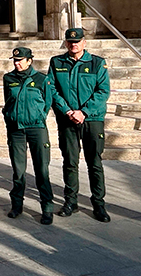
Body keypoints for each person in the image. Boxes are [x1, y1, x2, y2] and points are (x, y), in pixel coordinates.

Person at [49, 27, 111, 222]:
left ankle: (99, 204)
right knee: (70, 162)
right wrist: (68, 111)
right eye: (69, 41)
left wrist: (84, 112)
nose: (73, 44)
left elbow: (103, 91)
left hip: (92, 120)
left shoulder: (97, 63)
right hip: (67, 119)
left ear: (84, 42)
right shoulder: (57, 62)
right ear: (65, 43)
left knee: (95, 162)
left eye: (76, 41)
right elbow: (52, 89)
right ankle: (70, 201)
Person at [2, 47, 55, 225]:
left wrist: (38, 116)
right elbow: (8, 101)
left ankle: (47, 207)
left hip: (36, 128)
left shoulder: (41, 79)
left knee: (42, 169)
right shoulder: (8, 78)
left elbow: (47, 103)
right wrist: (10, 117)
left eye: (20, 60)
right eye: (15, 61)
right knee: (18, 170)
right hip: (16, 128)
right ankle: (17, 205)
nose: (17, 63)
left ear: (29, 61)